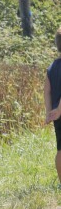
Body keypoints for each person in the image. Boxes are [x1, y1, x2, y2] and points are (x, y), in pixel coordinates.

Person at [44, 26, 61, 184]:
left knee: (60, 150)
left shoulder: (52, 66)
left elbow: (47, 91)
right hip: (60, 111)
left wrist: (50, 112)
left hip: (57, 114)